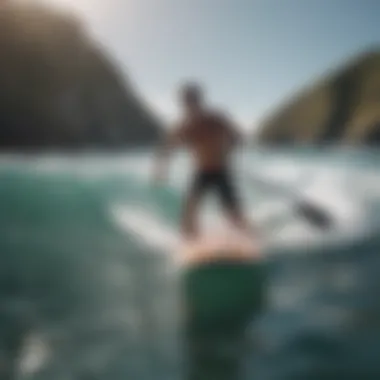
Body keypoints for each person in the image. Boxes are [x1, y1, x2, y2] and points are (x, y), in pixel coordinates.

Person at [153, 81, 252, 238]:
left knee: (233, 211)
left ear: (199, 101)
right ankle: (189, 242)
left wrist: (228, 151)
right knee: (189, 212)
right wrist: (160, 170)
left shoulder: (216, 119)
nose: (189, 105)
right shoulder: (183, 126)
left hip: (221, 171)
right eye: (186, 102)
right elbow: (167, 148)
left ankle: (249, 237)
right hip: (201, 173)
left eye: (192, 100)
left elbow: (238, 137)